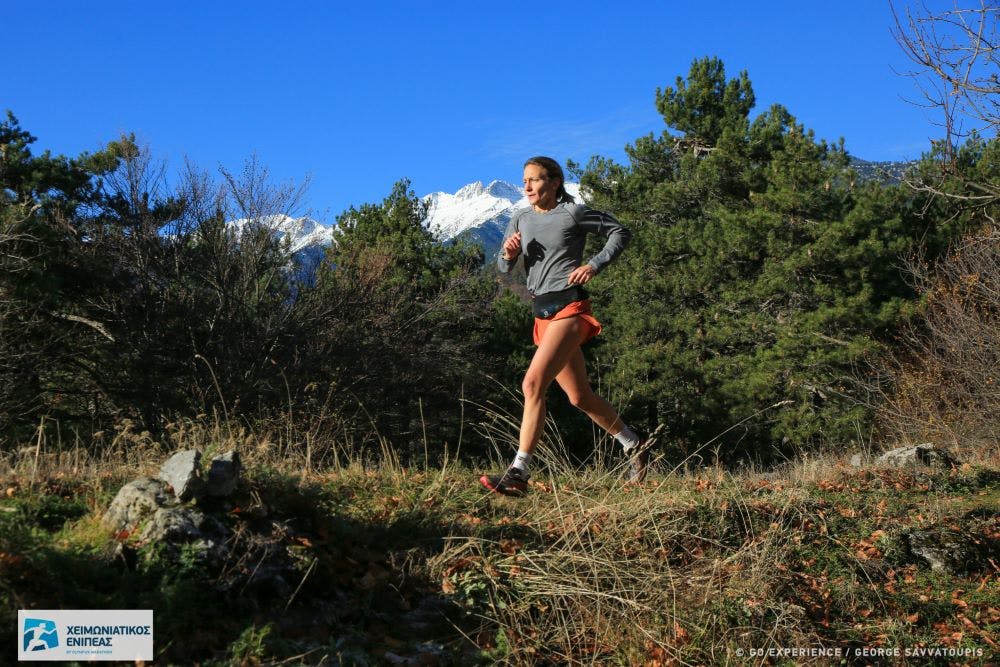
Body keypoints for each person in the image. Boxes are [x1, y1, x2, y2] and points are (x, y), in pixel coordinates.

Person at [479, 156, 657, 496]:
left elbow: (621, 232)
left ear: (555, 182)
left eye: (535, 180)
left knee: (532, 384)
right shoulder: (520, 218)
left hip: (571, 307)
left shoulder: (572, 213)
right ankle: (633, 443)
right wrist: (508, 253)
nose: (527, 187)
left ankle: (518, 472)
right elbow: (502, 268)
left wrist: (593, 264)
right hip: (542, 313)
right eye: (524, 181)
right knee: (579, 397)